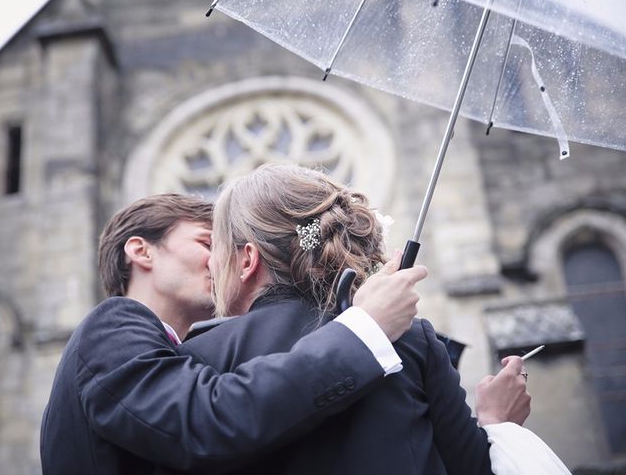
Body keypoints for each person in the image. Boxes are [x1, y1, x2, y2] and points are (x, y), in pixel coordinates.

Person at [178, 163, 531, 474]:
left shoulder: (202, 358)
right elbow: (470, 468)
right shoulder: (410, 338)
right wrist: (497, 423)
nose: (208, 265)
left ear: (246, 261)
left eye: (215, 250)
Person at [40, 193, 428, 474]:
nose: (219, 260)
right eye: (206, 242)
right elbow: (205, 422)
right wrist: (363, 331)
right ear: (142, 251)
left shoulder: (203, 348)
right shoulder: (110, 325)